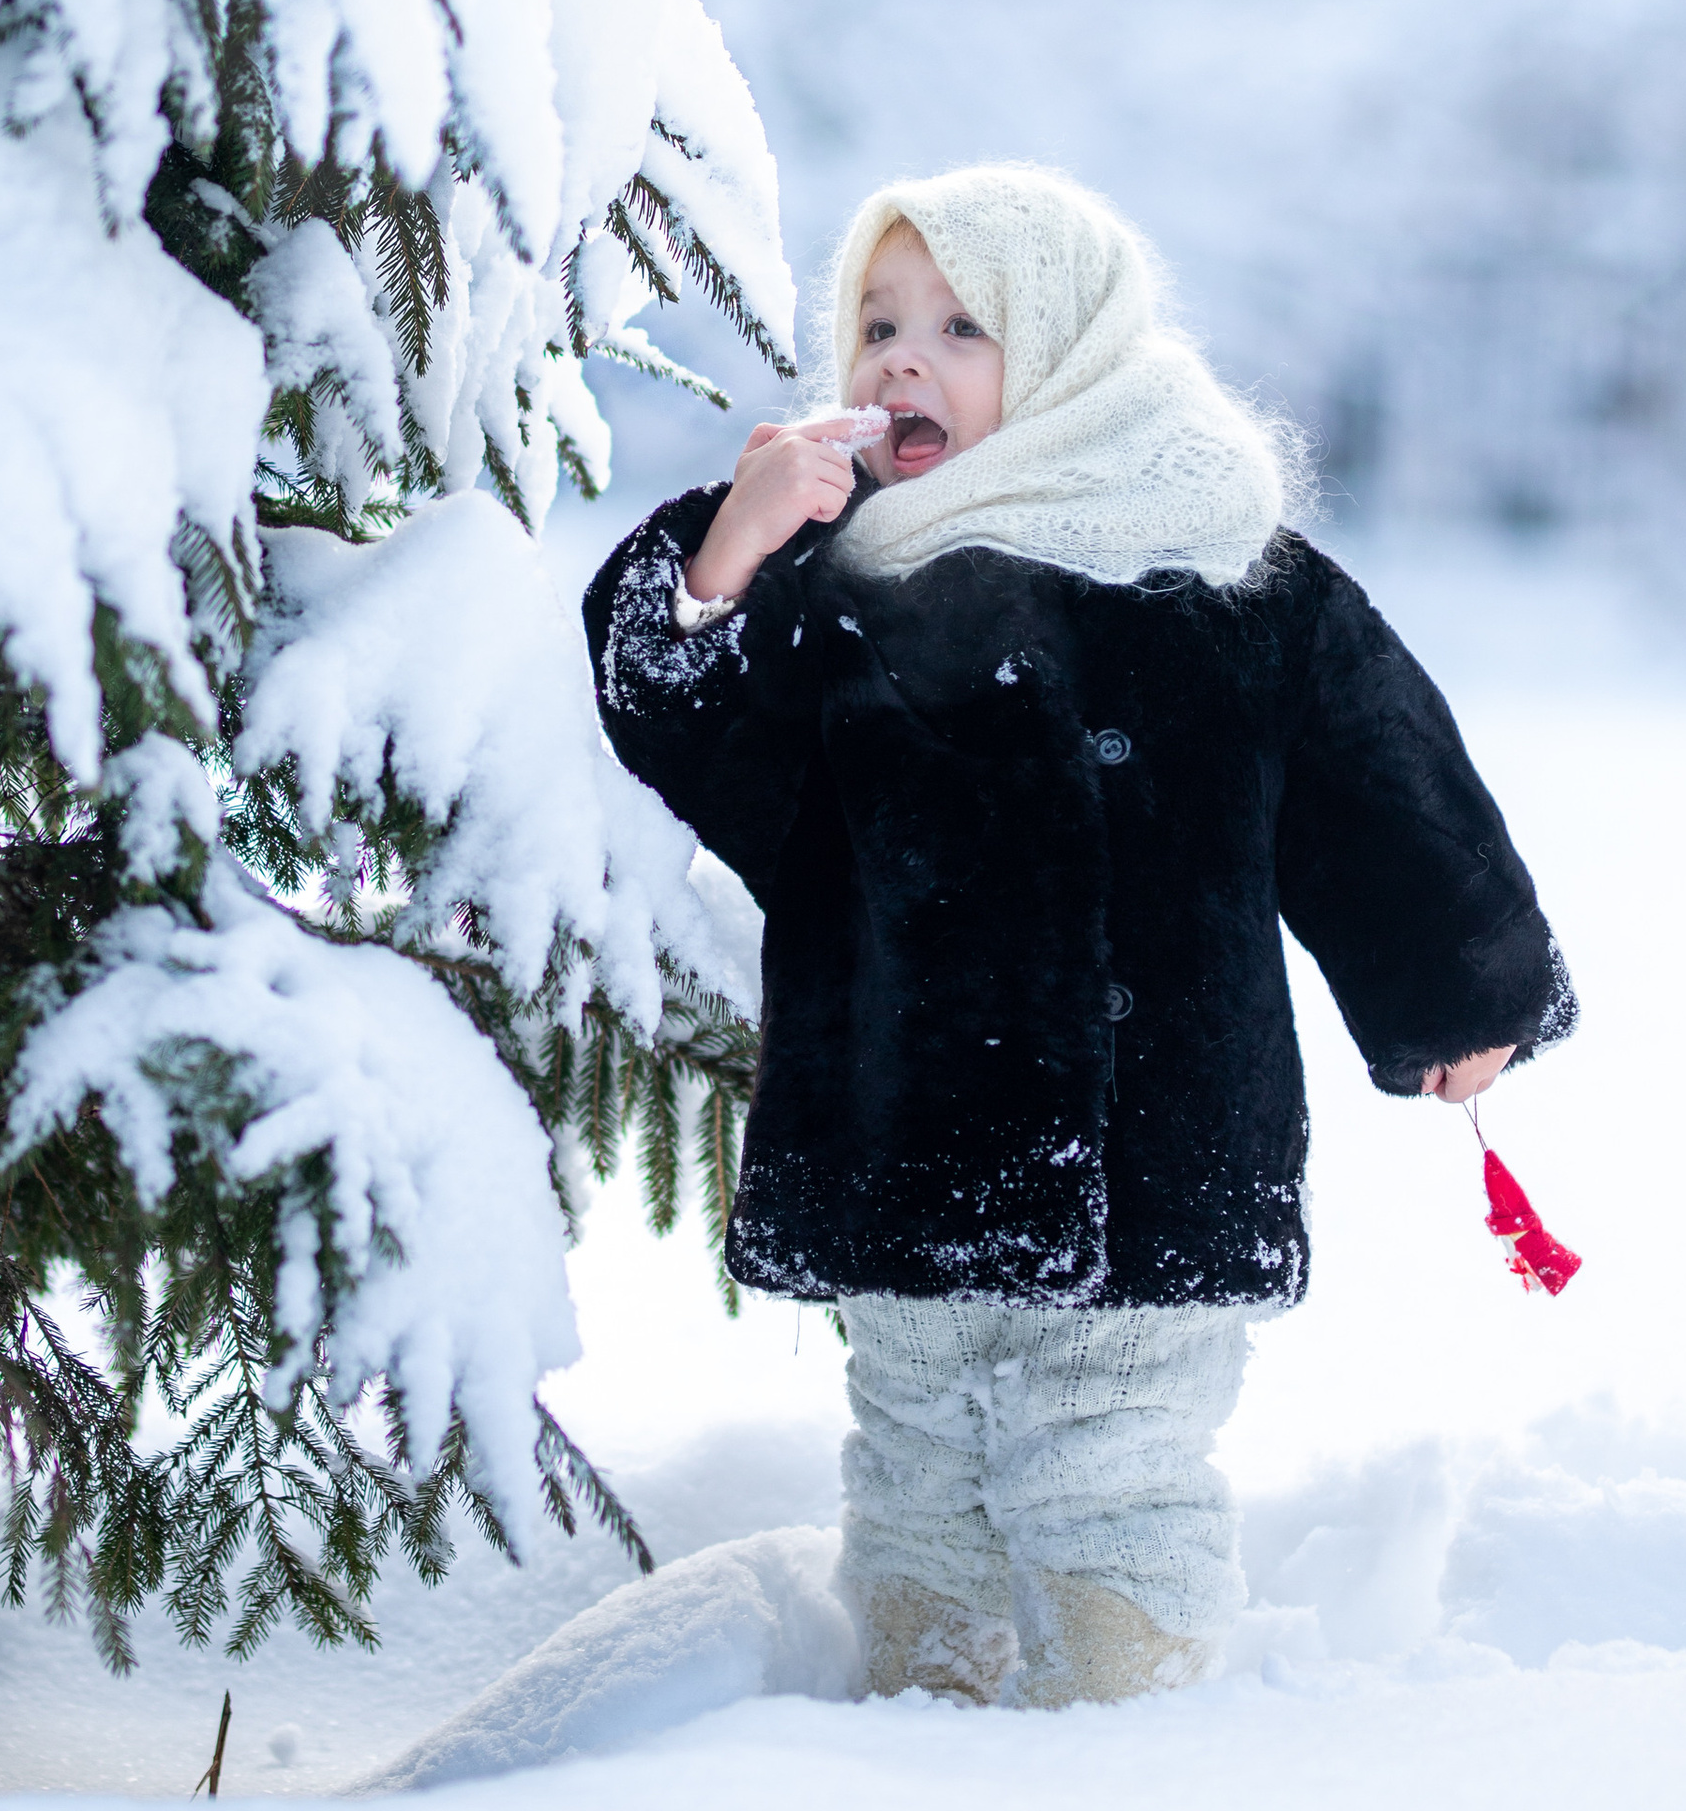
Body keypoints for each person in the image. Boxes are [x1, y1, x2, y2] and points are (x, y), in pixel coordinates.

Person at [581, 164, 1576, 1711]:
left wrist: (1457, 990)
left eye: (962, 325)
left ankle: (1130, 1728)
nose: (902, 358)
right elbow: (694, 741)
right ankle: (925, 1722)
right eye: (879, 323)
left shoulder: (1229, 572)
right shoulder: (834, 589)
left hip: (1155, 1141)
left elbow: (1384, 788)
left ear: (1067, 349)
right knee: (917, 1463)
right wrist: (726, 546)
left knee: (1107, 1465)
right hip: (902, 1132)